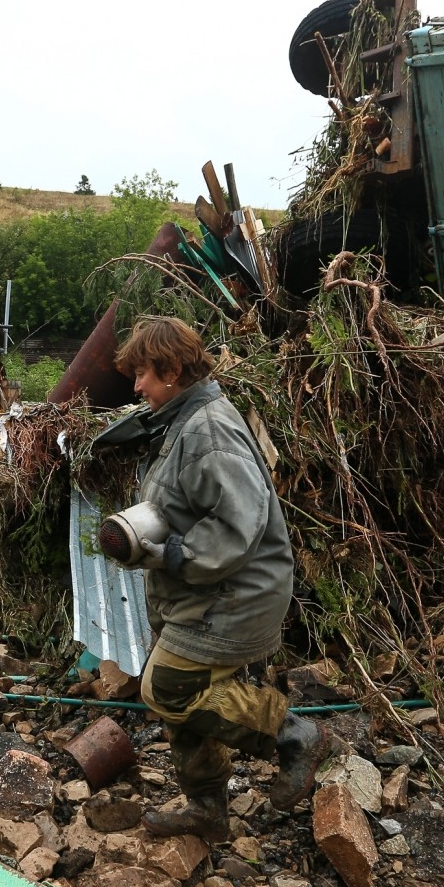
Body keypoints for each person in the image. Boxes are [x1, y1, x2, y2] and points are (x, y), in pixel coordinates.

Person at [100, 316, 330, 841]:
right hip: (198, 588)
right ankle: (207, 809)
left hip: (233, 591)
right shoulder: (182, 419)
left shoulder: (208, 428)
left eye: (144, 374)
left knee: (167, 690)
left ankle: (294, 736)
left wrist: (177, 554)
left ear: (174, 369)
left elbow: (237, 522)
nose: (136, 387)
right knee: (186, 690)